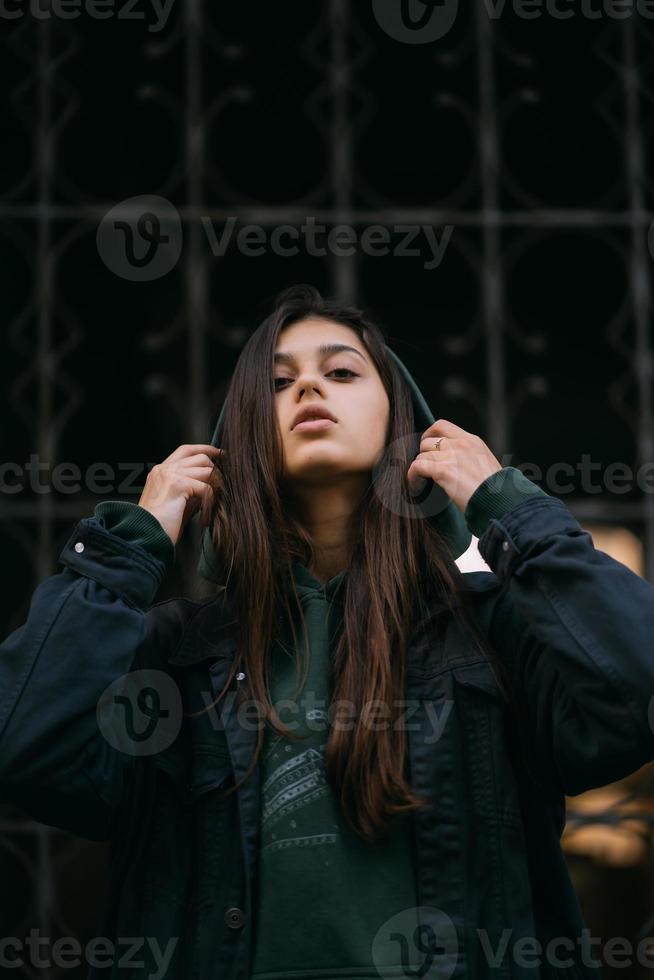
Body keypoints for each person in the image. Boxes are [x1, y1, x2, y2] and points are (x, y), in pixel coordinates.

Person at [2, 283, 654, 980]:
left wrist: (510, 509)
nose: (309, 385)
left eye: (340, 372)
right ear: (244, 433)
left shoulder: (492, 630)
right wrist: (129, 546)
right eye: (279, 382)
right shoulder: (176, 653)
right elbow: (28, 748)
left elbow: (636, 690)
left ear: (404, 424)